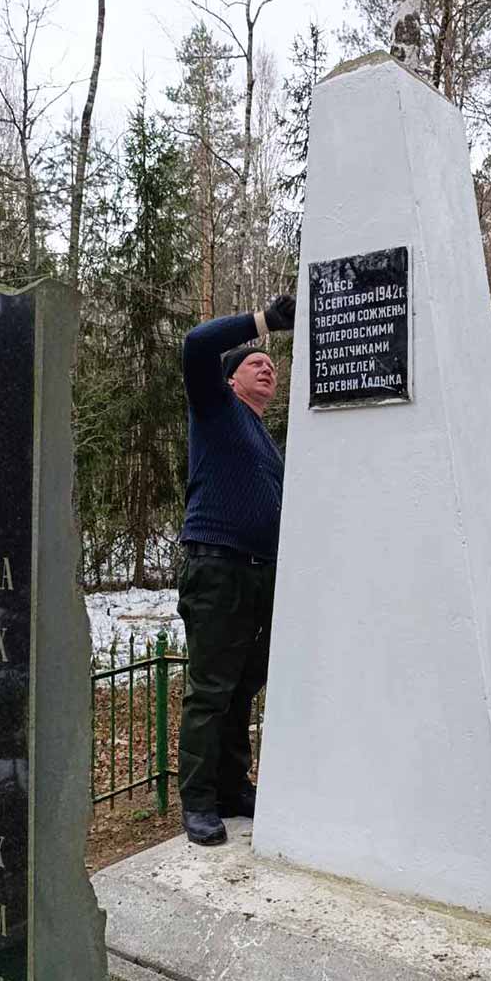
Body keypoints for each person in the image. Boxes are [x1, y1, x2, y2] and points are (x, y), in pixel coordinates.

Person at [177, 294, 295, 846]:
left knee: (243, 685)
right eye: (254, 362)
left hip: (260, 574)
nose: (267, 364)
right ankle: (197, 800)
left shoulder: (264, 439)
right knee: (210, 689)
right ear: (229, 381)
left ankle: (230, 786)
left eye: (270, 361)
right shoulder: (215, 410)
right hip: (217, 567)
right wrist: (265, 322)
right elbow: (197, 344)